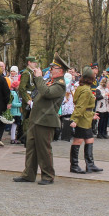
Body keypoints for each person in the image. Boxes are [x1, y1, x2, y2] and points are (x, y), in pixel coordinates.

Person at [13, 54, 67, 185]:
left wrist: (39, 78)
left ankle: (48, 176)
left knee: (44, 149)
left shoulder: (60, 85)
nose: (50, 70)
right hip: (36, 119)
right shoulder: (50, 81)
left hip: (46, 121)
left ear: (60, 71)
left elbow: (46, 93)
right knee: (31, 148)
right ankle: (28, 174)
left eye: (53, 68)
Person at [69, 66, 102, 174]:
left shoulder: (82, 87)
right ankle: (74, 165)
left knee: (89, 139)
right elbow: (80, 106)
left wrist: (91, 114)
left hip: (85, 117)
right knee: (78, 140)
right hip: (82, 119)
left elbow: (83, 105)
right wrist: (74, 119)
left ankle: (90, 164)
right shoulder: (86, 90)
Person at [17, 56, 38, 145]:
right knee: (27, 119)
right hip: (29, 99)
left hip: (33, 97)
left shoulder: (32, 73)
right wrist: (28, 100)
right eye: (34, 62)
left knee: (31, 119)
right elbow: (22, 88)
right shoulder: (26, 73)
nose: (35, 64)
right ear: (29, 62)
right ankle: (26, 139)